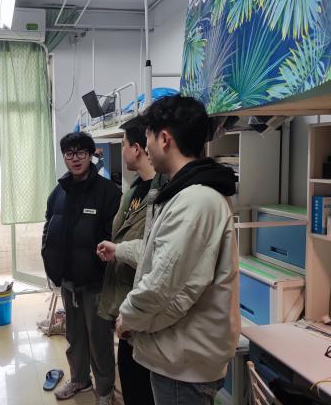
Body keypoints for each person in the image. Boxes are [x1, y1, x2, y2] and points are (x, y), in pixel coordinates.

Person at [97, 95, 240, 405]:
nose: (145, 146)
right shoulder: (182, 193)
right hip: (178, 357)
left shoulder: (196, 201)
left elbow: (161, 287)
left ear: (164, 139)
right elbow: (156, 253)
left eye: (148, 136)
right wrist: (120, 250)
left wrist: (127, 318)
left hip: (184, 364)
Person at [41, 132, 121, 405]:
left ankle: (105, 389)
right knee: (74, 336)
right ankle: (79, 378)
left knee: (99, 338)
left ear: (91, 155)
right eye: (69, 153)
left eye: (81, 153)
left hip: (96, 281)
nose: (75, 159)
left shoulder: (108, 192)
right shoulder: (59, 191)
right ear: (64, 157)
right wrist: (49, 259)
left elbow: (114, 236)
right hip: (68, 280)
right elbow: (48, 226)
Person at [97, 118, 162, 405]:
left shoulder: (163, 194)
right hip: (124, 299)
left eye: (123, 144)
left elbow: (155, 256)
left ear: (137, 148)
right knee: (129, 375)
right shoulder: (135, 189)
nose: (121, 150)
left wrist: (120, 250)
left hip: (143, 304)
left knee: (143, 386)